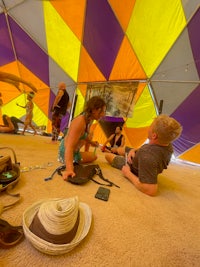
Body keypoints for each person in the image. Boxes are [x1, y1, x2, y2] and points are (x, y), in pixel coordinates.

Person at [105, 114, 182, 197]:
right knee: (121, 149)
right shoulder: (167, 145)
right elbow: (147, 148)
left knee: (107, 156)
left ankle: (113, 152)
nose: (148, 128)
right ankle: (116, 150)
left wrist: (127, 173)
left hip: (133, 167)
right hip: (139, 156)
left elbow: (151, 190)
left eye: (150, 126)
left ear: (154, 135)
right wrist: (133, 150)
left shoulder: (147, 156)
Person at [62, 96, 106, 181]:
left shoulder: (89, 120)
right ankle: (78, 157)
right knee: (94, 156)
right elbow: (69, 147)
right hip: (67, 153)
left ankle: (84, 153)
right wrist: (69, 169)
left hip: (73, 150)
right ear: (93, 109)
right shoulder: (80, 121)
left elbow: (85, 137)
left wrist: (92, 143)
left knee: (90, 134)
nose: (103, 114)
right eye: (102, 110)